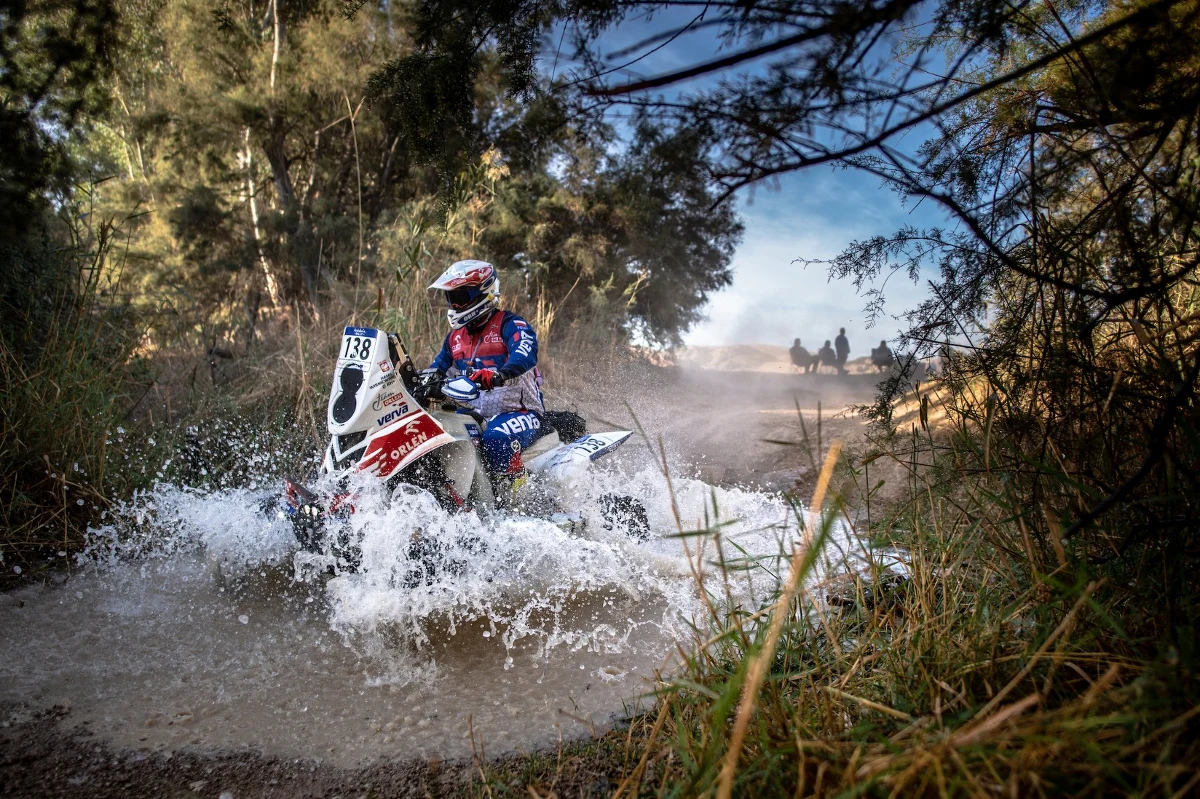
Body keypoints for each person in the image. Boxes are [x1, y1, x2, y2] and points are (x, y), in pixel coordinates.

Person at [423, 259, 544, 496]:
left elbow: (524, 353)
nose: (455, 304)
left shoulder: (511, 324)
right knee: (436, 430)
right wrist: (418, 382)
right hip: (476, 414)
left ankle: (518, 495)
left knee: (496, 438)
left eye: (461, 297)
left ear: (484, 293)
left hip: (521, 412)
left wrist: (500, 374)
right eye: (451, 298)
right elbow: (436, 369)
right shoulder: (455, 338)